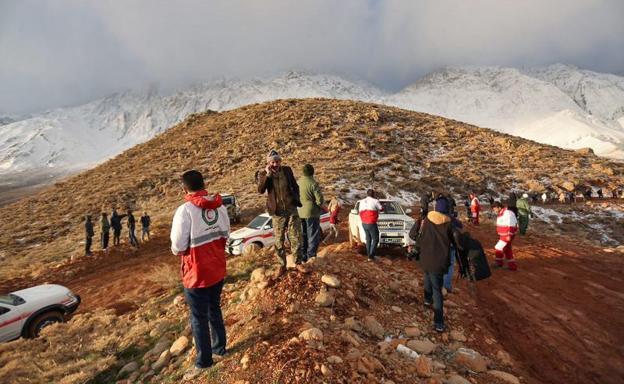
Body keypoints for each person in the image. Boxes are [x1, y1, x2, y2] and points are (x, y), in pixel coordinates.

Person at [170, 170, 229, 380]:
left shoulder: (185, 211)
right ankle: (220, 348)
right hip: (217, 268)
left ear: (185, 189)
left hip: (196, 273)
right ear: (204, 184)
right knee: (215, 308)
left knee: (198, 317)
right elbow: (225, 235)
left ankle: (204, 361)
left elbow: (177, 246)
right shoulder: (220, 206)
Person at [416, 196, 460, 332]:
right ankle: (439, 322)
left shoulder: (427, 220)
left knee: (427, 277)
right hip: (439, 261)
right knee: (437, 290)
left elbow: (420, 236)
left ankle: (427, 300)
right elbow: (456, 241)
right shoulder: (449, 224)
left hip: (425, 257)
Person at [257, 150, 303, 272]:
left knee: (296, 236)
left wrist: (296, 198)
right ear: (268, 163)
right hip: (277, 212)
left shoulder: (287, 170)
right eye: (273, 162)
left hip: (291, 208)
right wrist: (267, 175)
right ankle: (281, 265)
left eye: (278, 161)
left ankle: (298, 262)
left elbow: (295, 185)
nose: (276, 164)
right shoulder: (263, 174)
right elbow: (261, 189)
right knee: (279, 239)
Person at [298, 164, 324, 261]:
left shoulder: (298, 182)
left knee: (303, 234)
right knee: (312, 235)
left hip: (300, 211)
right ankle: (311, 257)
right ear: (312, 172)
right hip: (312, 212)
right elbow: (320, 200)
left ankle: (303, 256)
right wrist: (319, 205)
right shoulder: (313, 183)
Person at [357, 189, 383, 262]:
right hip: (371, 222)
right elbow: (381, 208)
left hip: (364, 222)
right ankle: (371, 256)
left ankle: (369, 255)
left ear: (367, 194)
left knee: (368, 239)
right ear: (373, 194)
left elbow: (359, 211)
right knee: (375, 239)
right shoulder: (375, 201)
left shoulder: (362, 201)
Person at [492, 201, 518, 271]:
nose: (494, 211)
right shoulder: (501, 213)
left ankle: (499, 263)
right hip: (504, 235)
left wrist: (509, 234)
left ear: (499, 207)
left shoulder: (508, 213)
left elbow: (511, 224)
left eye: (495, 209)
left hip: (507, 235)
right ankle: (512, 266)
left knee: (498, 247)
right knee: (507, 249)